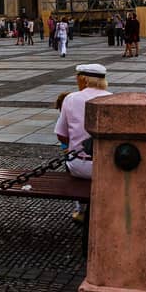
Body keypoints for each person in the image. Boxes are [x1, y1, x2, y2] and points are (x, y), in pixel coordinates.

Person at [54, 63, 111, 224]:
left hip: (79, 166)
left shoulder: (71, 99)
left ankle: (80, 210)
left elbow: (61, 135)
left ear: (83, 80)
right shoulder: (113, 98)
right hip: (108, 167)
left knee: (69, 158)